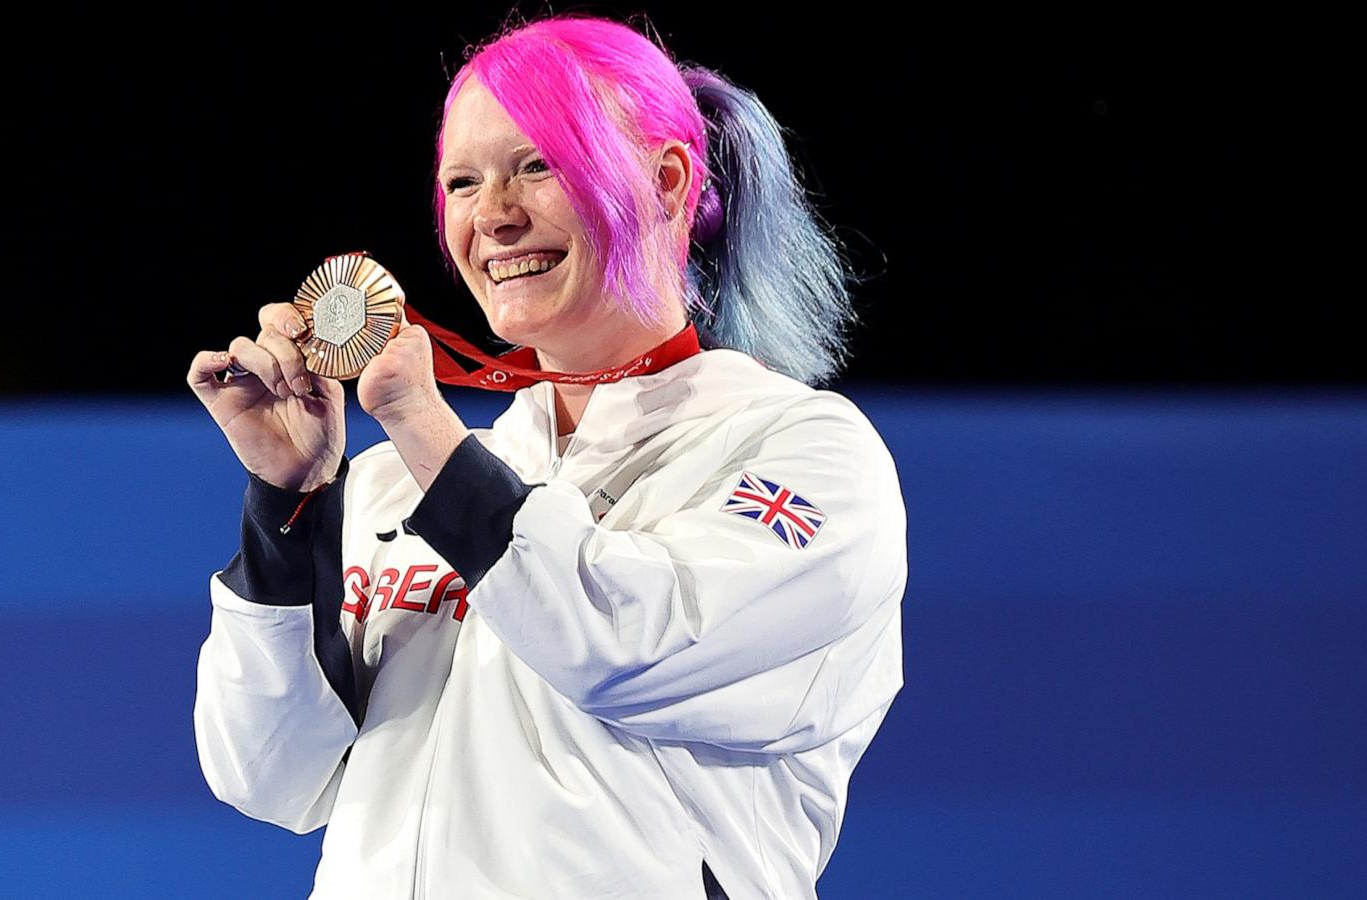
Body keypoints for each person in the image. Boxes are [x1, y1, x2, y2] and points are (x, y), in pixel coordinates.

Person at [184, 15, 906, 900]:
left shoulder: (801, 451)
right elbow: (272, 775)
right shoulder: (388, 484)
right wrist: (288, 506)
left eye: (539, 165)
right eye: (462, 181)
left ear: (668, 180)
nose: (493, 216)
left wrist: (425, 432)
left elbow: (618, 645)